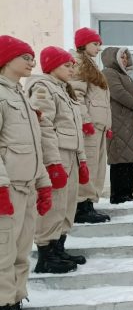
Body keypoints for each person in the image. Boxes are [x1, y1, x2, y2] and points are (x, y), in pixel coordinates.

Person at [0, 36, 52, 310]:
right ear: (7, 60)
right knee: (3, 251)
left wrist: (43, 182)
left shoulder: (19, 94)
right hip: (7, 189)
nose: (32, 62)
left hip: (26, 186)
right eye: (26, 57)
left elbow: (33, 146)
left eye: (32, 57)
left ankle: (14, 303)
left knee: (20, 252)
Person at [26, 46, 90, 274]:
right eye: (67, 65)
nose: (72, 69)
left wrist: (82, 159)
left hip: (71, 153)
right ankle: (46, 255)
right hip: (58, 154)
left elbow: (74, 129)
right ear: (52, 66)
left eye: (73, 65)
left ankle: (58, 248)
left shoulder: (63, 89)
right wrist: (52, 163)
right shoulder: (43, 88)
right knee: (54, 204)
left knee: (67, 204)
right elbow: (44, 128)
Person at [71, 27, 111, 223]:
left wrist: (107, 125)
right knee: (88, 165)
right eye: (95, 44)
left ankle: (89, 203)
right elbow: (76, 96)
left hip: (98, 126)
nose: (98, 48)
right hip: (89, 126)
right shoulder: (78, 64)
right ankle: (81, 206)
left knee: (97, 167)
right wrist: (85, 121)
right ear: (83, 44)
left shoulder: (91, 64)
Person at [103, 47, 133, 204]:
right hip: (118, 122)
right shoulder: (109, 73)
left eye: (125, 57)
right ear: (112, 58)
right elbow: (119, 94)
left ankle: (127, 194)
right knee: (120, 160)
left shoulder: (125, 76)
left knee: (129, 161)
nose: (125, 60)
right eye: (121, 57)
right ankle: (118, 196)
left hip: (129, 122)